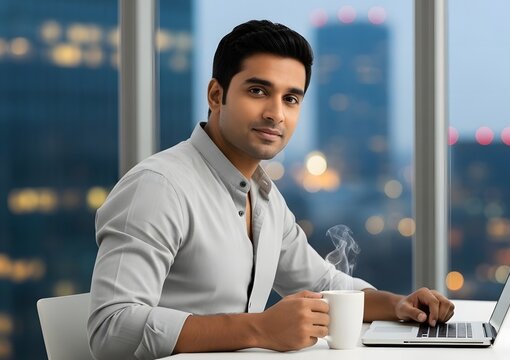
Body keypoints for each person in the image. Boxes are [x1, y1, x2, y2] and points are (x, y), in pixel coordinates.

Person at [87, 20, 454, 360]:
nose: (276, 114)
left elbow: (324, 282)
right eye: (258, 90)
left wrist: (399, 305)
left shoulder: (263, 196)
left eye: (290, 99)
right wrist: (260, 329)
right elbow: (111, 329)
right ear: (217, 95)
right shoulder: (158, 188)